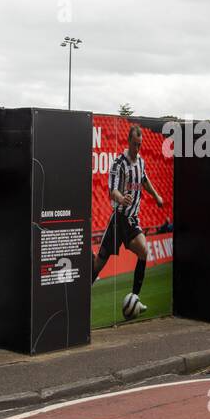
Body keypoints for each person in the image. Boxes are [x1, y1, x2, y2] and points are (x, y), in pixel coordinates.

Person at [91, 123, 165, 317]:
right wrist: (121, 198)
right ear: (128, 142)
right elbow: (112, 190)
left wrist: (156, 196)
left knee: (144, 250)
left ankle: (134, 298)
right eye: (134, 144)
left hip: (132, 220)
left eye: (140, 144)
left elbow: (144, 180)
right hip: (119, 220)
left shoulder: (141, 162)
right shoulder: (119, 163)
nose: (137, 148)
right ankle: (81, 294)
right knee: (99, 264)